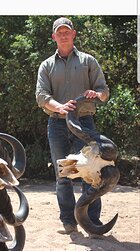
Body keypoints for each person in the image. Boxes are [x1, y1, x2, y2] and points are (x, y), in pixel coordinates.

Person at [35, 17, 110, 234]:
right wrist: (59, 107)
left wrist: (96, 94)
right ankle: (69, 221)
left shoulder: (88, 61)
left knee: (90, 173)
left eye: (67, 31)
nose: (64, 35)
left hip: (84, 123)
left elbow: (104, 91)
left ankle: (92, 221)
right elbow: (41, 96)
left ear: (74, 34)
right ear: (54, 37)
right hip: (57, 124)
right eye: (60, 32)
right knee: (64, 175)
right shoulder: (46, 65)